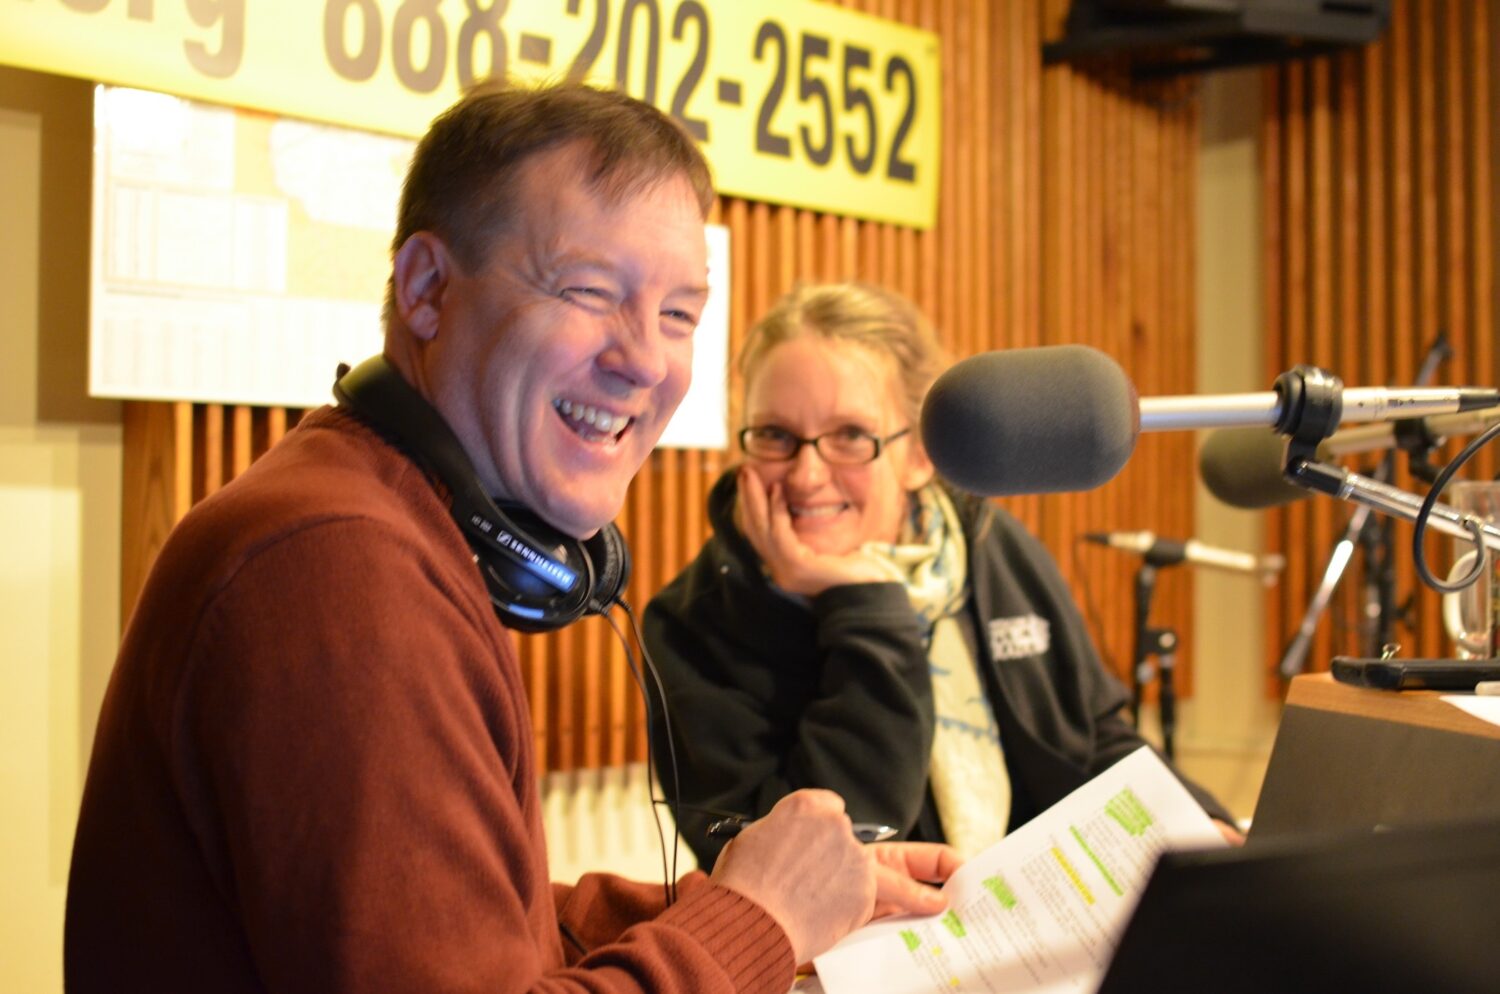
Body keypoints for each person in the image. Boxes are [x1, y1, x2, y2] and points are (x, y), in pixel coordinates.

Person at [65, 83, 959, 994]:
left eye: (678, 315)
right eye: (589, 290)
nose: (645, 359)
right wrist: (755, 922)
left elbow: (481, 930)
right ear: (427, 289)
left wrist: (791, 902)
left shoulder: (380, 523)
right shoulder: (337, 569)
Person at [644, 281, 1239, 870]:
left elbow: (1091, 738)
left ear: (920, 454)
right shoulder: (690, 626)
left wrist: (1195, 823)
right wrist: (866, 609)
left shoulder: (989, 546)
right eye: (775, 435)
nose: (806, 475)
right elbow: (801, 869)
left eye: (850, 436)